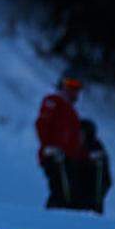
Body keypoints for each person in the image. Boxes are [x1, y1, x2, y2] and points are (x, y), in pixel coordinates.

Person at [36, 75, 86, 209]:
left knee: (68, 192)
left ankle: (58, 220)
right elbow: (42, 124)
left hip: (68, 157)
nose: (73, 90)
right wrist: (49, 146)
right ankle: (53, 220)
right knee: (62, 192)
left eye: (76, 87)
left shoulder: (70, 110)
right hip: (55, 155)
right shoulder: (54, 101)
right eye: (70, 85)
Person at [76, 119, 111, 214]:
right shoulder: (77, 147)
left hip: (92, 198)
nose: (79, 136)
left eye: (81, 133)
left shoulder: (96, 148)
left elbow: (104, 178)